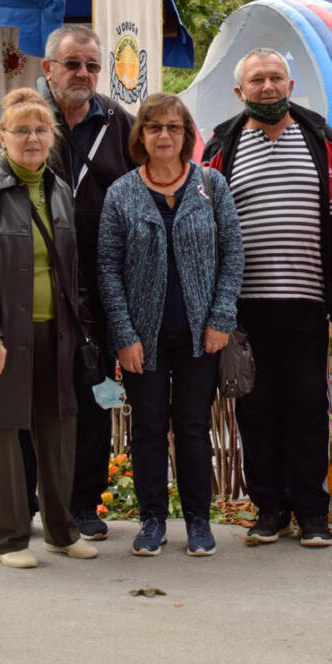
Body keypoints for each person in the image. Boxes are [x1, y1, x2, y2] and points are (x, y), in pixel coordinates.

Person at [0, 25, 135, 541]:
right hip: (29, 286)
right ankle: (21, 506)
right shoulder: (16, 118)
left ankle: (80, 505)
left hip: (99, 287)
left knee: (88, 401)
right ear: (48, 68)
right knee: (22, 400)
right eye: (73, 64)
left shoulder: (117, 121)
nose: (84, 74)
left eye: (92, 65)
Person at [0, 88, 98, 568]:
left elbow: (72, 274)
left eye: (41, 130)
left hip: (56, 334)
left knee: (59, 432)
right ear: (2, 137)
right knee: (0, 436)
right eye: (21, 130)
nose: (32, 138)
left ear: (53, 138)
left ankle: (62, 530)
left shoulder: (61, 191)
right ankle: (9, 538)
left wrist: (84, 328)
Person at [202, 48, 332, 547]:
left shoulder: (322, 141)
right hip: (244, 307)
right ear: (238, 91)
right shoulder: (222, 147)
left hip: (308, 301)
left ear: (290, 86)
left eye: (276, 78)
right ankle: (270, 510)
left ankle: (313, 513)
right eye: (256, 79)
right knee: (256, 409)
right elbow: (207, 228)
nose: (267, 87)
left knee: (309, 406)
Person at [98, 94, 243, 557]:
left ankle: (199, 521)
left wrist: (220, 317)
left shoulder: (210, 185)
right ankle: (152, 520)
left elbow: (234, 257)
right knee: (147, 428)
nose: (164, 135)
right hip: (145, 338)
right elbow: (107, 269)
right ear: (140, 134)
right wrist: (125, 336)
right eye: (154, 127)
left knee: (195, 428)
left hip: (201, 336)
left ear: (187, 134)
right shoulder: (121, 192)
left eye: (174, 127)